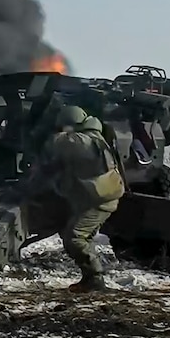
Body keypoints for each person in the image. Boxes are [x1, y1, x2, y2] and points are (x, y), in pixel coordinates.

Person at [37, 104, 126, 293]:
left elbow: (54, 143)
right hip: (99, 197)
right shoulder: (95, 137)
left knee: (74, 238)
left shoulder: (81, 141)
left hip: (99, 201)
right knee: (80, 236)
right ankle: (92, 275)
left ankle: (95, 279)